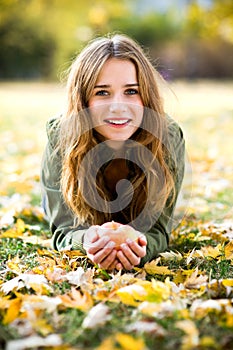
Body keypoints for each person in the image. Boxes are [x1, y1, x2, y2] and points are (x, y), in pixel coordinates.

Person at [41, 33, 185, 271]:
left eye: (131, 91)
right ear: (83, 101)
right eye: (102, 92)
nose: (118, 106)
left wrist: (141, 245)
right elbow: (63, 230)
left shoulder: (167, 137)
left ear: (147, 97)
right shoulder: (61, 135)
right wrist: (86, 240)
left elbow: (159, 229)